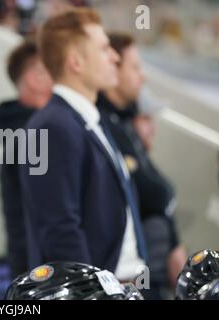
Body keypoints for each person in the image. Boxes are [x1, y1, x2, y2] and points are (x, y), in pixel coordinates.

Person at [20, 7, 149, 283]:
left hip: (127, 283)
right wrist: (91, 291)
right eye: (104, 49)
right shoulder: (51, 127)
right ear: (76, 62)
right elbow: (60, 231)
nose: (114, 57)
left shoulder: (91, 120)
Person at [97, 32, 187, 298]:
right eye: (135, 67)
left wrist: (174, 242)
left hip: (147, 271)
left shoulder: (122, 124)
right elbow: (153, 193)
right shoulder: (103, 123)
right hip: (128, 278)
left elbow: (161, 190)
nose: (143, 76)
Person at [0, 38, 52, 279]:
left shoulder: (27, 129)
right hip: (42, 273)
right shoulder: (28, 135)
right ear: (34, 78)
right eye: (53, 68)